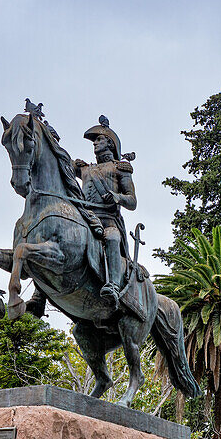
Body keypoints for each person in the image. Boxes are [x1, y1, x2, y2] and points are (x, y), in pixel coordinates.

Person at [73, 115, 137, 308]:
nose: (95, 144)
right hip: (85, 219)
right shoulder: (85, 169)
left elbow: (132, 201)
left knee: (111, 239)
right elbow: (59, 163)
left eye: (99, 140)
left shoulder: (120, 168)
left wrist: (117, 197)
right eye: (94, 141)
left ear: (109, 143)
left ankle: (114, 286)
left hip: (108, 220)